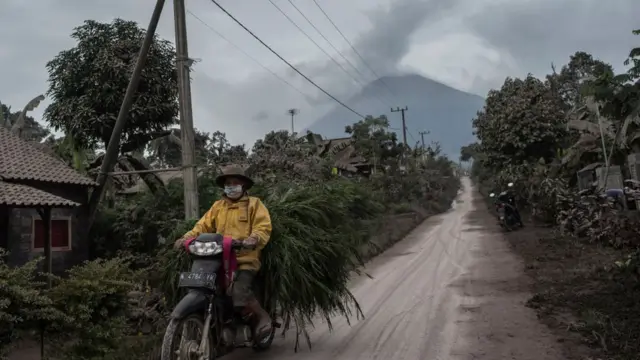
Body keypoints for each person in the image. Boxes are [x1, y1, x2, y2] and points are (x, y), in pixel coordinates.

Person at [174, 165, 273, 339]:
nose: (231, 186)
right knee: (205, 287)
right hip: (218, 258)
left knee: (239, 292)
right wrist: (186, 238)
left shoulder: (254, 204)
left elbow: (263, 226)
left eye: (235, 182)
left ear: (243, 185)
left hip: (245, 259)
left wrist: (254, 238)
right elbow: (201, 226)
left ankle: (261, 316)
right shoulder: (218, 206)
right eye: (228, 183)